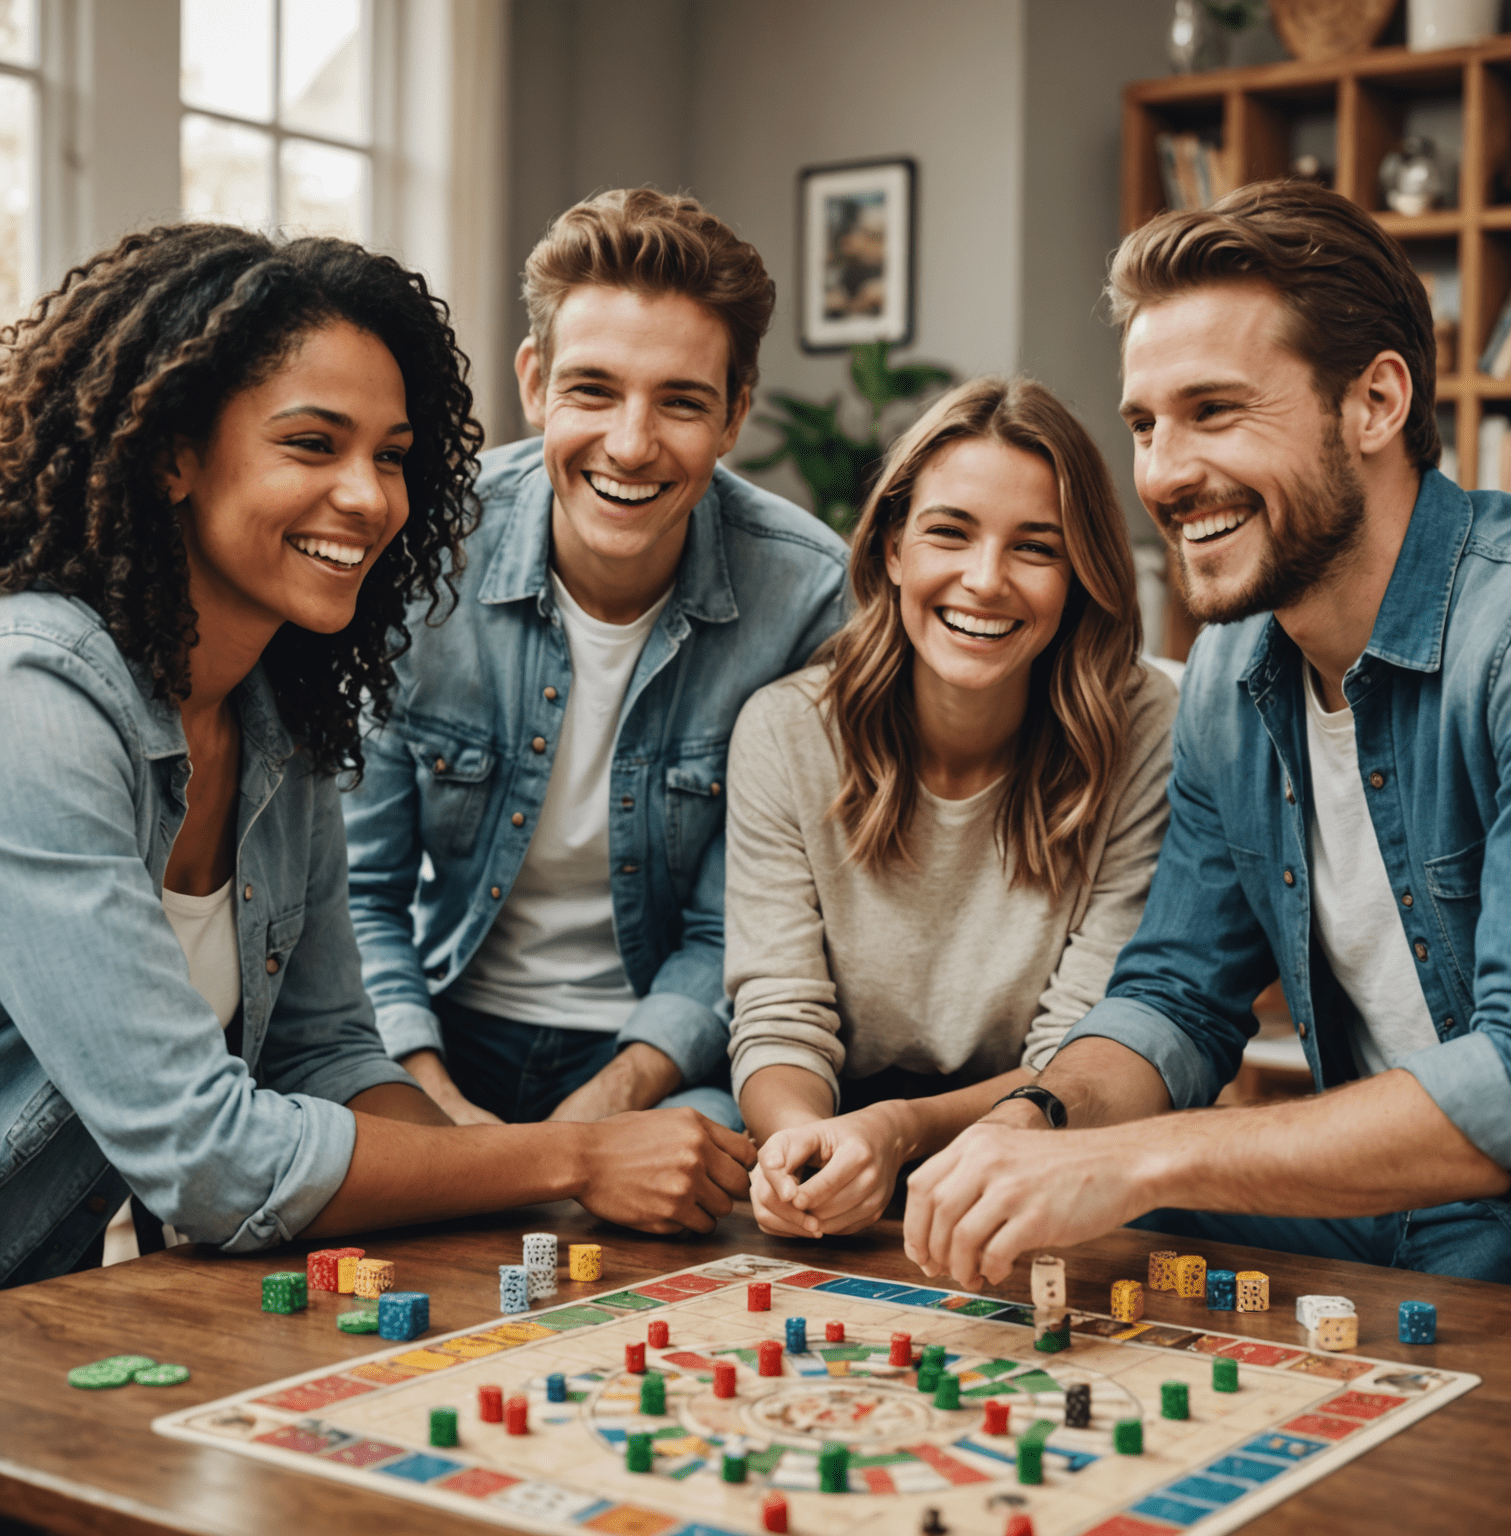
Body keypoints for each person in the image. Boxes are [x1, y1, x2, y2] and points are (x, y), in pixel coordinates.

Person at [0, 223, 755, 1289]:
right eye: (313, 445)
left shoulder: (280, 704)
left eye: (391, 456)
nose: (369, 498)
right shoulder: (34, 694)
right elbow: (206, 1157)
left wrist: (526, 1215)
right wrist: (575, 1156)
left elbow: (325, 1053)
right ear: (172, 451)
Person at [904, 181, 1511, 1291]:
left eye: (1215, 411)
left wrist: (1133, 1159)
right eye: (1145, 423)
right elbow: (1176, 997)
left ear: (1376, 401)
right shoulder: (1228, 676)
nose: (1162, 473)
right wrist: (1030, 1123)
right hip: (1388, 1215)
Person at [343, 189, 848, 1134]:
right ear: (535, 383)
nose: (630, 443)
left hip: (670, 1048)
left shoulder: (808, 597)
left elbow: (740, 928)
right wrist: (430, 1099)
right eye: (594, 389)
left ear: (735, 413)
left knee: (720, 1166)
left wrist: (596, 1121)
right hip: (436, 1022)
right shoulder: (418, 551)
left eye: (682, 402)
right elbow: (358, 891)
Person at [727, 378, 1178, 1239]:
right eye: (950, 532)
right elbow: (779, 1016)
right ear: (894, 548)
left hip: (1051, 1137)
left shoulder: (1143, 728)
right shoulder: (786, 731)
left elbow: (1086, 1054)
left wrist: (900, 1133)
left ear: (1082, 571)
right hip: (845, 1139)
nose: (984, 581)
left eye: (1035, 548)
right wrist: (807, 1153)